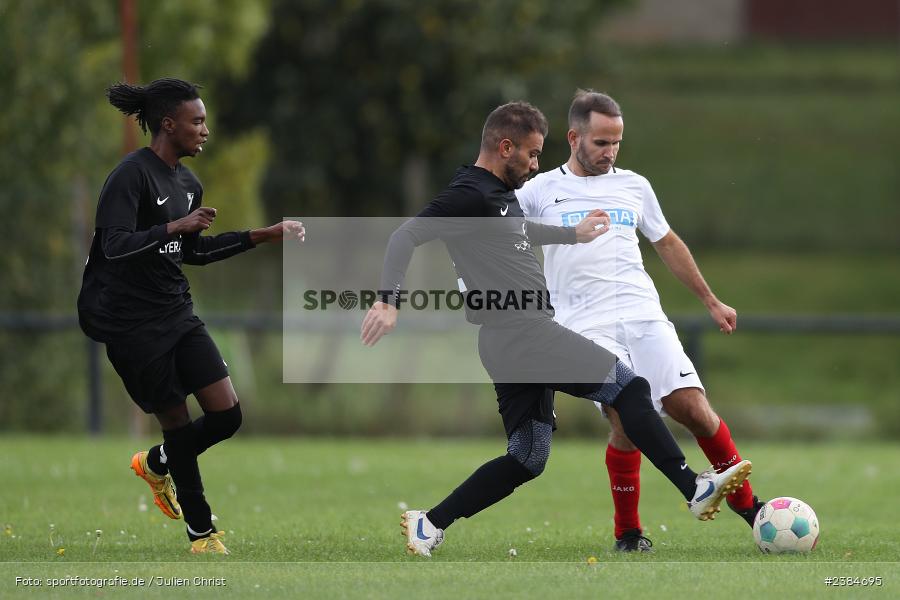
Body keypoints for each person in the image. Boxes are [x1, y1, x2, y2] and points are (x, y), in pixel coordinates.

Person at [360, 101, 751, 558]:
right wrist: (388, 301)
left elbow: (520, 231)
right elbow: (405, 235)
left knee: (527, 457)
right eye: (530, 153)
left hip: (507, 341)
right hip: (523, 332)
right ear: (505, 147)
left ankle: (429, 523)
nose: (534, 164)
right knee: (629, 388)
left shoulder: (498, 194)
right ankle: (692, 486)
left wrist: (572, 234)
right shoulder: (469, 193)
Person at [516, 90, 764, 553]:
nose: (610, 152)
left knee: (694, 409)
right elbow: (502, 234)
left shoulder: (634, 185)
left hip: (643, 314)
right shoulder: (539, 191)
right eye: (601, 143)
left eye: (616, 143)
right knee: (626, 417)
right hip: (583, 324)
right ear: (574, 138)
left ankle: (754, 512)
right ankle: (628, 533)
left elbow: (666, 242)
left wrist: (710, 300)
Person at [77, 78, 304, 555]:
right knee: (178, 423)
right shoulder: (129, 176)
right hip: (131, 324)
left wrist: (262, 235)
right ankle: (202, 534)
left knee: (227, 414)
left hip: (176, 312)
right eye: (196, 121)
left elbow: (192, 252)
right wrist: (173, 226)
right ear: (168, 125)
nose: (205, 130)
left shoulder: (188, 183)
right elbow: (113, 246)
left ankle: (158, 462)